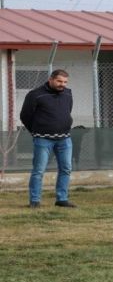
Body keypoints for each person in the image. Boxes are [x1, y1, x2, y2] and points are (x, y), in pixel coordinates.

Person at [20, 69, 75, 209]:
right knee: (39, 171)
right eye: (59, 81)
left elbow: (67, 111)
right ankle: (35, 201)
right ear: (51, 79)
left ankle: (61, 199)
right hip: (43, 140)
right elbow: (25, 116)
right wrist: (36, 131)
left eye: (65, 82)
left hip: (65, 139)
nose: (62, 84)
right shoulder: (35, 95)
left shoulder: (68, 94)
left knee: (66, 169)